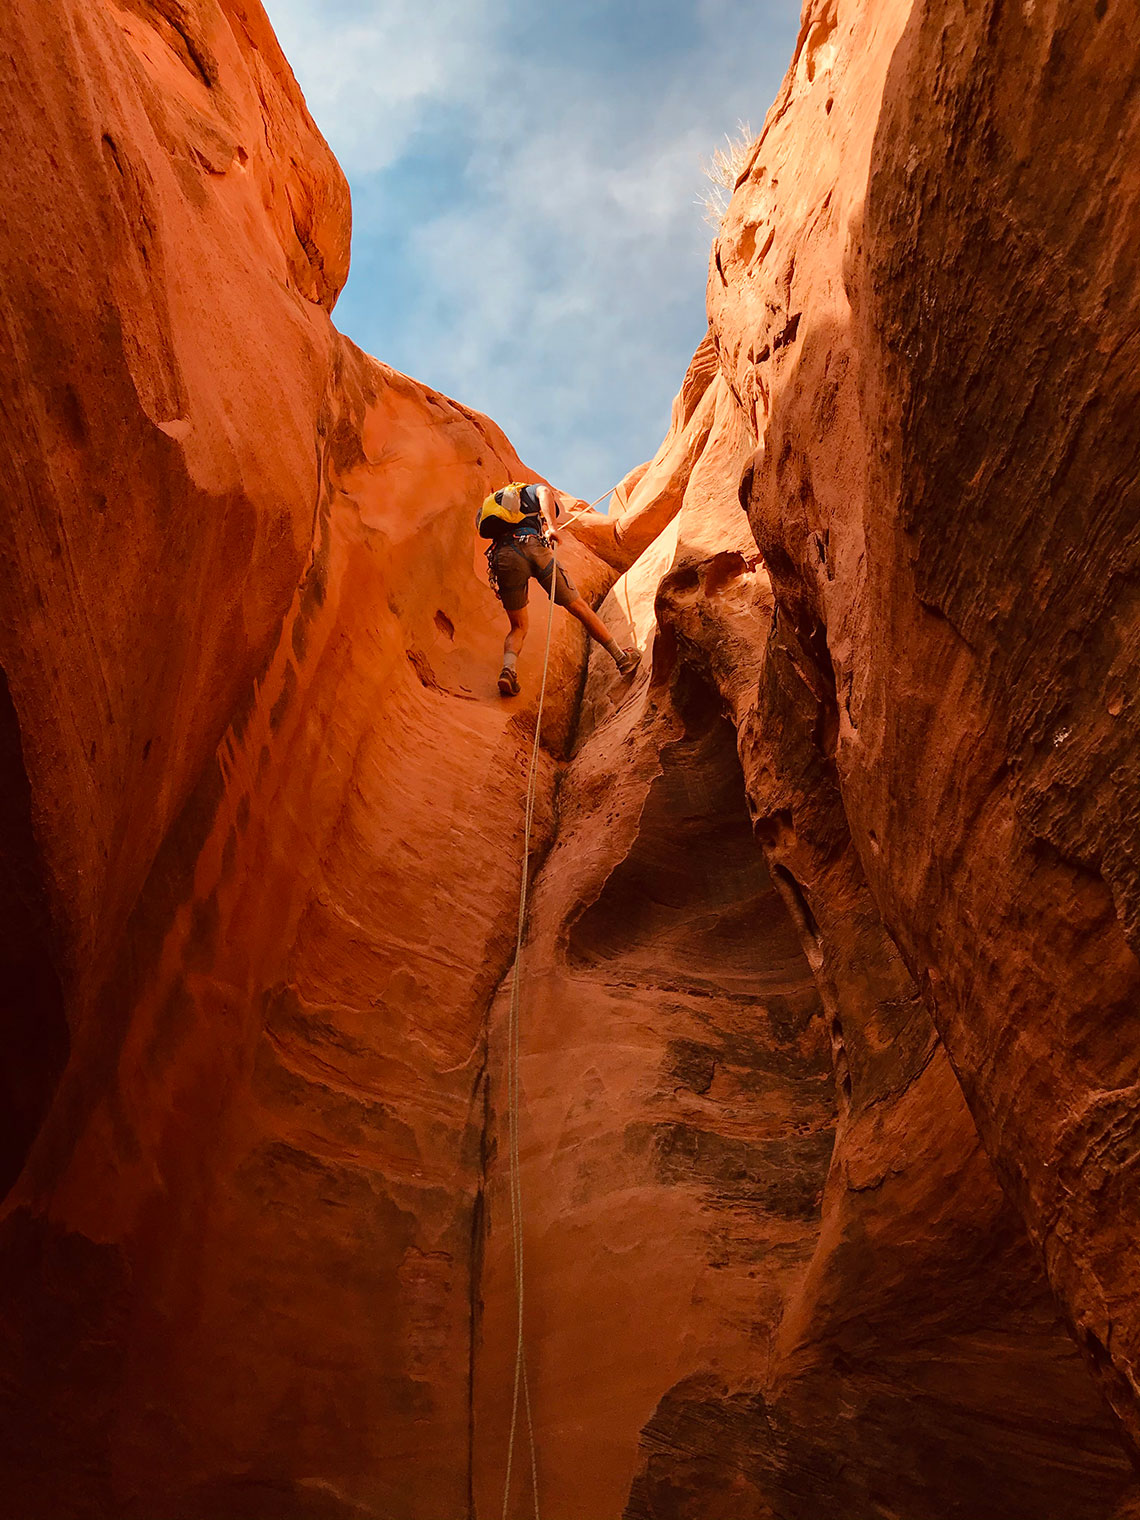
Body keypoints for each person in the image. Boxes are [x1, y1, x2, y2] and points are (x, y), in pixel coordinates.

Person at [477, 481, 640, 696]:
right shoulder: (530, 490)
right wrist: (551, 528)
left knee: (518, 626)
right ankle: (622, 658)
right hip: (532, 545)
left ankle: (508, 670)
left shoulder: (492, 508)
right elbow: (544, 491)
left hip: (504, 557)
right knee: (579, 607)